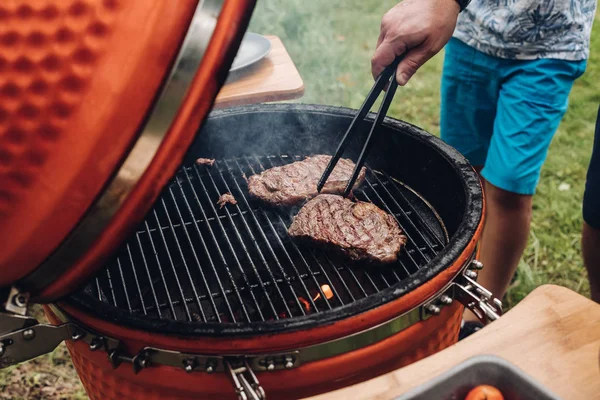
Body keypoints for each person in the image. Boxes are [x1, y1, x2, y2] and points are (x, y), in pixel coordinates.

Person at [372, 0, 597, 337]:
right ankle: (465, 276)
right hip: (472, 35)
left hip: (550, 47)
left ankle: (480, 311)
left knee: (508, 187)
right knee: (465, 173)